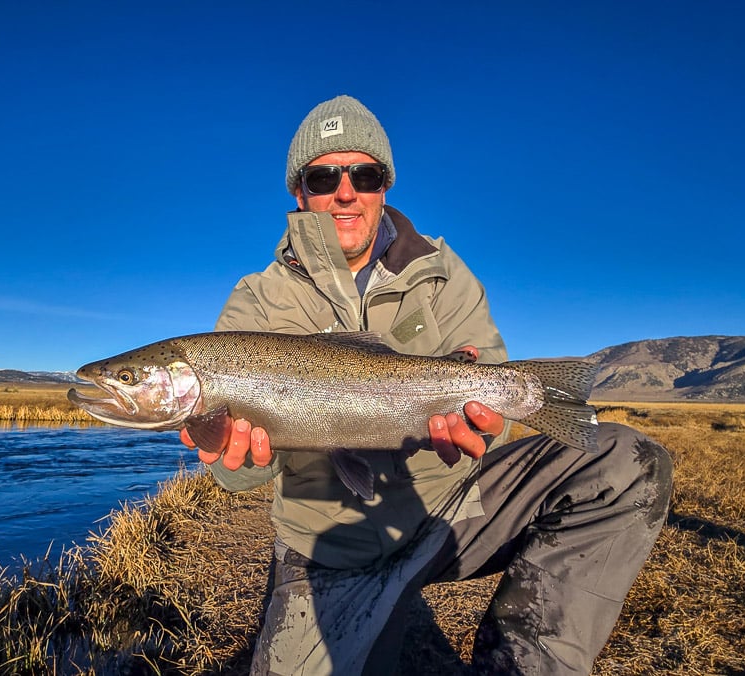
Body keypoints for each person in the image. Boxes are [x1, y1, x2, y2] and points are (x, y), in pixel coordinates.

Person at [180, 95, 674, 675]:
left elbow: (495, 399)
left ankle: (521, 660)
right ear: (299, 192)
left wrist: (487, 426)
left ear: (383, 185)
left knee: (626, 460)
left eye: (363, 174)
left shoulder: (442, 270)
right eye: (323, 176)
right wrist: (237, 457)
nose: (345, 192)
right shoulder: (258, 300)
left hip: (451, 508)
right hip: (328, 551)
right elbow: (234, 476)